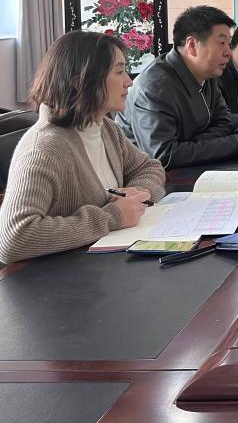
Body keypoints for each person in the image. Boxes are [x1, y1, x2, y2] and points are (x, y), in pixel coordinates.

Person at [0, 32, 166, 263]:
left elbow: (149, 168)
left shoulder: (104, 127)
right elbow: (13, 238)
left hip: (104, 265)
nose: (129, 81)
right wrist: (112, 216)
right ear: (81, 81)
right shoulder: (44, 149)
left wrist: (138, 193)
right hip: (61, 278)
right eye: (119, 72)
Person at [117, 6, 238, 169]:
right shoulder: (154, 87)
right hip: (149, 178)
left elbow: (225, 122)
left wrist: (189, 145)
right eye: (222, 43)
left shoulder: (207, 74)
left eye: (229, 44)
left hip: (193, 168)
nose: (228, 52)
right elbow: (163, 156)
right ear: (192, 45)